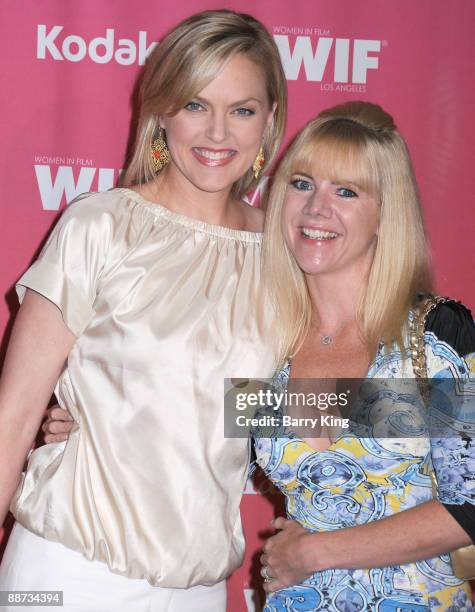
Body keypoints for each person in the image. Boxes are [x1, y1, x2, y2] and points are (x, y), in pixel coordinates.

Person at [0, 10, 287, 610]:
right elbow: (14, 414)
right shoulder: (99, 226)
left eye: (242, 109)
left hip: (200, 587)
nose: (217, 133)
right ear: (160, 112)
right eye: (194, 105)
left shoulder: (285, 256)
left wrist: (444, 405)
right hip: (64, 570)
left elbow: (282, 410)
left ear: (270, 120)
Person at [254, 101, 475, 610]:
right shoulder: (264, 344)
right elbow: (191, 447)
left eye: (346, 192)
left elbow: (470, 507)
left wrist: (315, 552)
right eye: (302, 183)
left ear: (384, 214)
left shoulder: (436, 334)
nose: (316, 209)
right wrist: (81, 419)